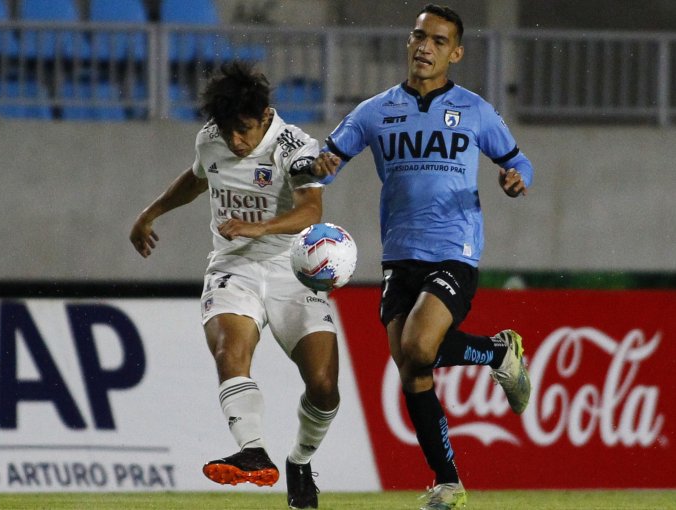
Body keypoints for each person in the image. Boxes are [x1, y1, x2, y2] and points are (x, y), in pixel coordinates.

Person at [313, 4, 533, 510]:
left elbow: (516, 160)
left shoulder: (475, 110)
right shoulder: (374, 110)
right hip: (398, 257)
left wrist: (517, 178)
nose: (423, 47)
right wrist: (318, 165)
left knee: (418, 346)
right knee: (413, 369)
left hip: (454, 251)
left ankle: (500, 356)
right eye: (417, 37)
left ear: (455, 52)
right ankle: (449, 480)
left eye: (436, 40)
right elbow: (326, 164)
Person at [129, 61, 340, 509]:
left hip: (292, 271)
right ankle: (252, 450)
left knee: (323, 385)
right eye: (227, 131)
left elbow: (311, 211)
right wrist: (150, 212)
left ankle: (299, 461)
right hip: (233, 268)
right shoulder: (211, 137)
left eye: (243, 130)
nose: (235, 141)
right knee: (230, 351)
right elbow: (197, 177)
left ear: (265, 115)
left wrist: (258, 228)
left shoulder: (295, 146)